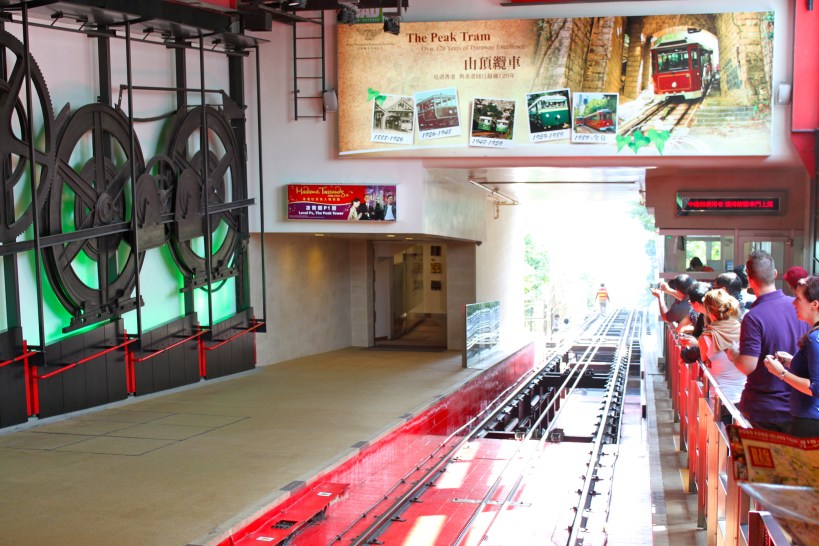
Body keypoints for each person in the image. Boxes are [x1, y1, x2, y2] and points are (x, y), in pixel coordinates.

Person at [729, 250, 807, 431]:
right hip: (798, 406)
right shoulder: (798, 307)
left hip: (764, 409)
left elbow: (747, 366)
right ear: (775, 274)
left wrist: (734, 355)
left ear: (748, 279)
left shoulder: (754, 316)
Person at [762, 276, 819, 437]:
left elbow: (816, 388)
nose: (794, 303)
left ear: (814, 305)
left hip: (809, 422)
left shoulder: (815, 338)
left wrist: (781, 373)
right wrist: (792, 362)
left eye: (798, 299)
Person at [698, 289, 746, 420]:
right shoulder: (746, 332)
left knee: (720, 439)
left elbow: (706, 363)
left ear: (709, 312)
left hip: (720, 400)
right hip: (746, 398)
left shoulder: (706, 338)